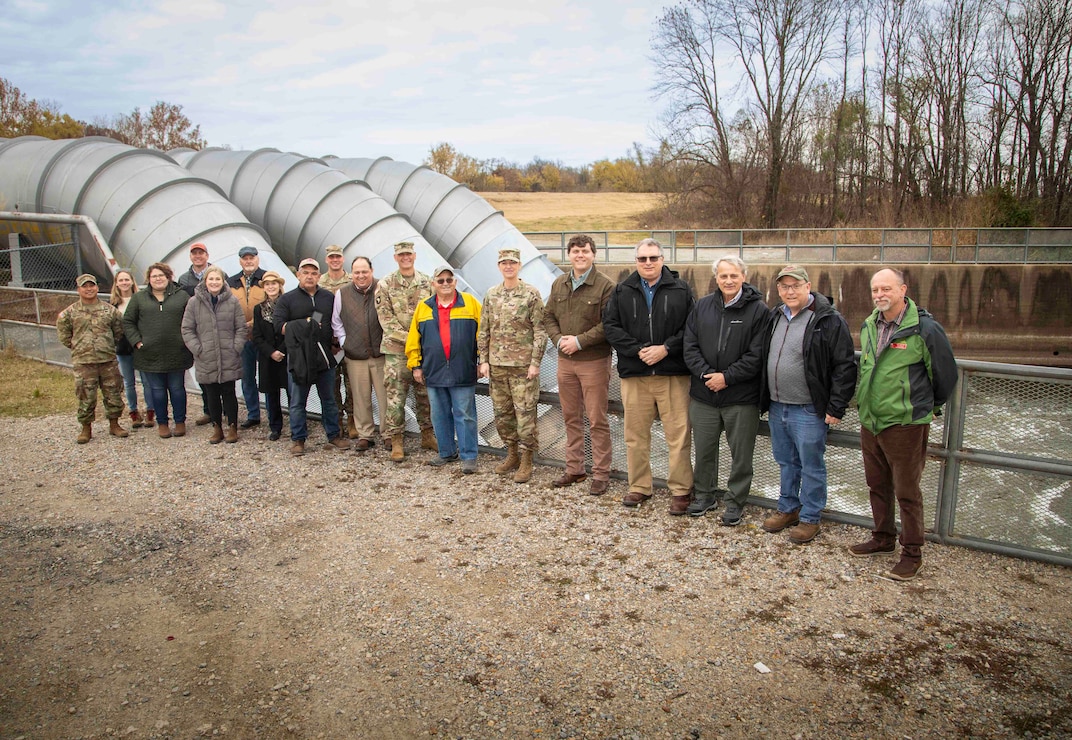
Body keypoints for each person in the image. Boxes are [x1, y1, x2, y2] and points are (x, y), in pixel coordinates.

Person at [850, 267, 957, 581]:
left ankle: (912, 553)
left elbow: (945, 376)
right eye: (875, 290)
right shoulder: (870, 324)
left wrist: (926, 408)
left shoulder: (924, 329)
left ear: (903, 290)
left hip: (905, 424)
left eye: (886, 289)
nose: (880, 295)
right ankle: (883, 538)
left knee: (907, 491)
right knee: (877, 484)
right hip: (871, 420)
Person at [760, 265, 857, 543]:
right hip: (778, 405)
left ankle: (811, 517)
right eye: (784, 286)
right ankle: (788, 508)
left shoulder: (828, 319)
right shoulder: (775, 316)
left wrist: (836, 407)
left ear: (808, 286)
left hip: (809, 408)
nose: (789, 291)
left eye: (795, 286)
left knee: (811, 464)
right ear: (778, 290)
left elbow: (844, 366)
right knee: (786, 462)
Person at [603, 238, 695, 514]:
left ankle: (680, 489)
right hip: (636, 374)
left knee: (678, 434)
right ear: (636, 262)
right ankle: (640, 486)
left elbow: (692, 327)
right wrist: (639, 350)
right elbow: (611, 326)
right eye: (643, 259)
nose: (648, 263)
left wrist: (666, 349)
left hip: (673, 374)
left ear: (662, 259)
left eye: (653, 258)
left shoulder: (681, 290)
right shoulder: (622, 291)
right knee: (635, 434)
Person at [683, 256, 770, 525]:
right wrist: (707, 375)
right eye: (723, 276)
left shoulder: (759, 311)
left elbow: (757, 355)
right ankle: (705, 495)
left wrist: (727, 378)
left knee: (741, 455)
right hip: (704, 394)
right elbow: (690, 345)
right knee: (704, 450)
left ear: (744, 276)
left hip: (740, 398)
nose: (728, 281)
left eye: (733, 275)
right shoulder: (702, 306)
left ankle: (735, 502)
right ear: (716, 278)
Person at [543, 234, 615, 495]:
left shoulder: (606, 286)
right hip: (566, 363)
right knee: (571, 417)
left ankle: (601, 473)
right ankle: (574, 469)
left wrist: (580, 342)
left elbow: (609, 325)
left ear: (593, 254)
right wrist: (559, 339)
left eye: (585, 251)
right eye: (575, 251)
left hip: (593, 362)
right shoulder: (559, 283)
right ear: (569, 255)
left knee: (597, 419)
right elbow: (548, 315)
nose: (580, 255)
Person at [477, 248, 547, 483]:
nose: (508, 266)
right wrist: (484, 360)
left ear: (519, 265)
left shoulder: (531, 294)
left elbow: (540, 330)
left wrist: (535, 362)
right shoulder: (491, 294)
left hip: (522, 369)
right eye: (504, 263)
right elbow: (484, 329)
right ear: (499, 266)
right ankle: (512, 454)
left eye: (512, 263)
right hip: (497, 368)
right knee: (502, 415)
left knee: (525, 416)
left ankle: (527, 460)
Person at [407, 265, 482, 473]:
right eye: (441, 281)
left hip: (463, 369)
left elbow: (483, 335)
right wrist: (416, 366)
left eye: (449, 279)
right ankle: (446, 452)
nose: (446, 284)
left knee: (465, 414)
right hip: (434, 370)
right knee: (439, 414)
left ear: (455, 282)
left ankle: (469, 456)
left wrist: (482, 360)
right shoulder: (424, 307)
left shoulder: (471, 304)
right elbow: (414, 340)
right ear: (433, 284)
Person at [274, 257, 351, 456]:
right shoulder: (287, 299)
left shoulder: (327, 297)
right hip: (299, 358)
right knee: (298, 401)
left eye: (313, 273)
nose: (309, 276)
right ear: (298, 275)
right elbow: (279, 327)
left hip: (324, 356)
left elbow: (334, 322)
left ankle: (333, 435)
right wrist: (305, 324)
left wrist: (336, 342)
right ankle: (298, 439)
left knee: (329, 399)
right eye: (305, 272)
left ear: (319, 275)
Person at [376, 240, 437, 461]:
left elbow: (433, 316)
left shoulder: (427, 283)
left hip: (423, 352)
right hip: (397, 352)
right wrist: (412, 340)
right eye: (401, 255)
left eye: (408, 254)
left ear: (414, 255)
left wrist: (423, 343)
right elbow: (386, 321)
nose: (405, 258)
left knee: (425, 396)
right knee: (396, 398)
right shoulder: (385, 285)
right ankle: (397, 441)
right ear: (395, 258)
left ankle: (427, 435)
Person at [122, 262, 194, 439]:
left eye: (161, 275)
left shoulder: (182, 296)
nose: (158, 279)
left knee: (177, 389)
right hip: (149, 354)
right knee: (157, 390)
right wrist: (137, 342)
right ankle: (162, 423)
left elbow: (192, 320)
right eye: (154, 276)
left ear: (168, 277)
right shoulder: (139, 298)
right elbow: (128, 321)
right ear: (148, 279)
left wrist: (187, 340)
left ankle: (179, 422)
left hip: (177, 351)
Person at [57, 274, 129, 444]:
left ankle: (114, 424)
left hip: (108, 361)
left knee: (113, 394)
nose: (89, 289)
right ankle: (86, 428)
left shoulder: (110, 311)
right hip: (84, 362)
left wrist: (106, 346)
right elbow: (65, 336)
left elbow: (118, 332)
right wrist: (82, 347)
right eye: (85, 286)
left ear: (97, 287)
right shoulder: (69, 313)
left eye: (92, 285)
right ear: (78, 289)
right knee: (86, 396)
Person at [182, 266, 247, 444]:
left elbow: (241, 327)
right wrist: (198, 349)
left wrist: (236, 347)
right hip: (206, 356)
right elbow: (187, 329)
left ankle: (232, 426)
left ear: (223, 281)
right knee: (211, 394)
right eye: (211, 279)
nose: (214, 282)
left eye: (217, 279)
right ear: (205, 281)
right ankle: (217, 427)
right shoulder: (194, 302)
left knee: (229, 392)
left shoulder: (232, 301)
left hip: (228, 355)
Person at [331, 256, 386, 451]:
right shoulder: (342, 293)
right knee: (360, 397)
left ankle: (388, 434)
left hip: (381, 354)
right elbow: (336, 321)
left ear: (371, 271)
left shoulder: (383, 287)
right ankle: (365, 435)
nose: (361, 276)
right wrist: (346, 341)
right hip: (355, 355)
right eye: (357, 272)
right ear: (351, 274)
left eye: (364, 271)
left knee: (385, 396)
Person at [227, 245, 266, 429]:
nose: (249, 261)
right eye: (245, 258)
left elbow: (272, 304)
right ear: (240, 260)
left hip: (263, 336)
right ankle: (253, 414)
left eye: (252, 258)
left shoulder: (267, 278)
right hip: (243, 339)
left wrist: (250, 324)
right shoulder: (232, 282)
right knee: (247, 377)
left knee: (269, 376)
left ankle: (275, 413)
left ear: (258, 259)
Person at [177, 242, 215, 426]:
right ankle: (209, 410)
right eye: (195, 253)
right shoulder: (184, 280)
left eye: (201, 253)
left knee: (221, 373)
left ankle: (221, 409)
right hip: (197, 331)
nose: (198, 256)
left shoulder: (217, 274)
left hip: (216, 330)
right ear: (191, 256)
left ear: (207, 255)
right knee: (202, 373)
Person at [319, 245, 355, 437]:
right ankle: (337, 419)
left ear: (342, 259)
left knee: (351, 382)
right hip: (328, 342)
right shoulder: (320, 282)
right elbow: (315, 308)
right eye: (331, 257)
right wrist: (316, 327)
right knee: (332, 382)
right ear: (327, 260)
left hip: (348, 339)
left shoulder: (352, 280)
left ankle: (352, 419)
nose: (335, 260)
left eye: (338, 257)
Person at [110, 268, 152, 429]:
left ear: (132, 281)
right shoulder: (113, 304)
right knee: (129, 382)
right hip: (123, 347)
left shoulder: (140, 299)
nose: (124, 283)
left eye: (126, 279)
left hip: (140, 346)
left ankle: (150, 410)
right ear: (116, 283)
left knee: (147, 381)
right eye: (121, 280)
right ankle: (133, 412)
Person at [252, 271, 289, 441]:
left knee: (292, 392)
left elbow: (293, 330)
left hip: (287, 355)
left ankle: (297, 425)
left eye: (274, 283)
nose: (271, 287)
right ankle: (275, 427)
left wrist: (282, 350)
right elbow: (257, 335)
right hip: (268, 357)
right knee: (271, 394)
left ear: (279, 285)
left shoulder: (289, 304)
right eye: (267, 284)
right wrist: (271, 352)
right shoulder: (258, 309)